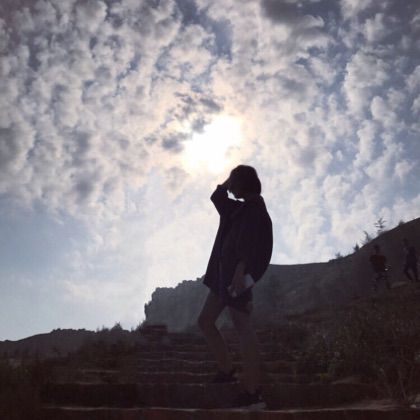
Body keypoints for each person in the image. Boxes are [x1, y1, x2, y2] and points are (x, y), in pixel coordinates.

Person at [198, 165, 273, 409]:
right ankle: (227, 369)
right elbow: (217, 197)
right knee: (205, 321)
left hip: (236, 278)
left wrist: (242, 270)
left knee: (243, 327)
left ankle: (253, 391)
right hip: (222, 277)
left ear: (244, 183)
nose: (230, 188)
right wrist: (228, 181)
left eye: (234, 182)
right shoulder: (236, 209)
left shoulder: (255, 209)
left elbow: (252, 244)